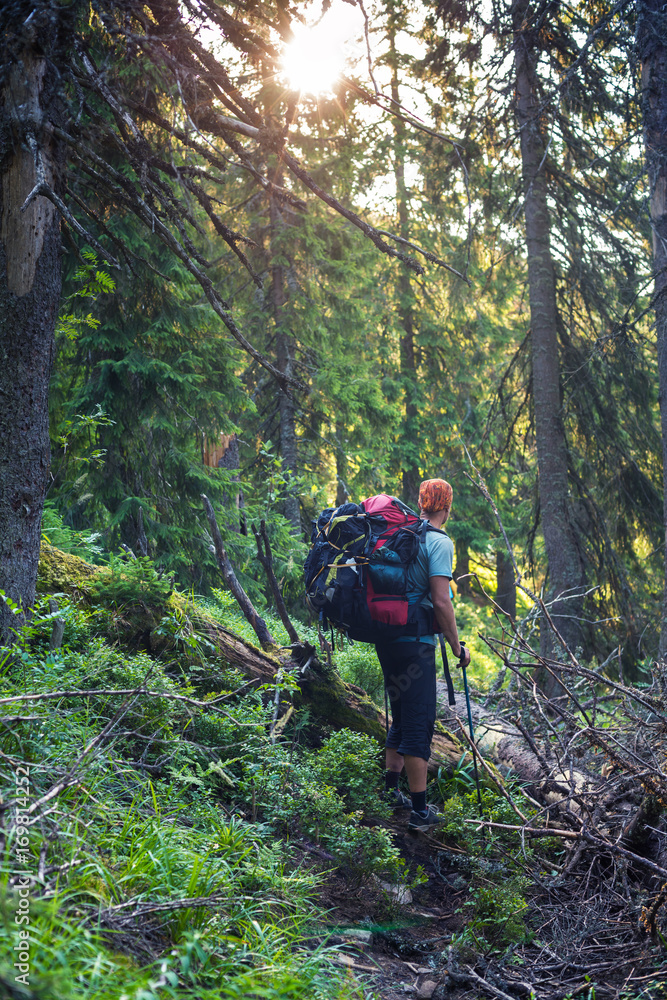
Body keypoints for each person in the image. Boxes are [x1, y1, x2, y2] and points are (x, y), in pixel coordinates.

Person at [376, 478, 471, 832]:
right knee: (418, 721)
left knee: (401, 714)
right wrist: (457, 648)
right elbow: (442, 602)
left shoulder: (404, 533)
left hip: (387, 639)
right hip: (416, 644)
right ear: (446, 507)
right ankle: (419, 812)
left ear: (420, 504)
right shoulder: (439, 542)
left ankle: (391, 791)